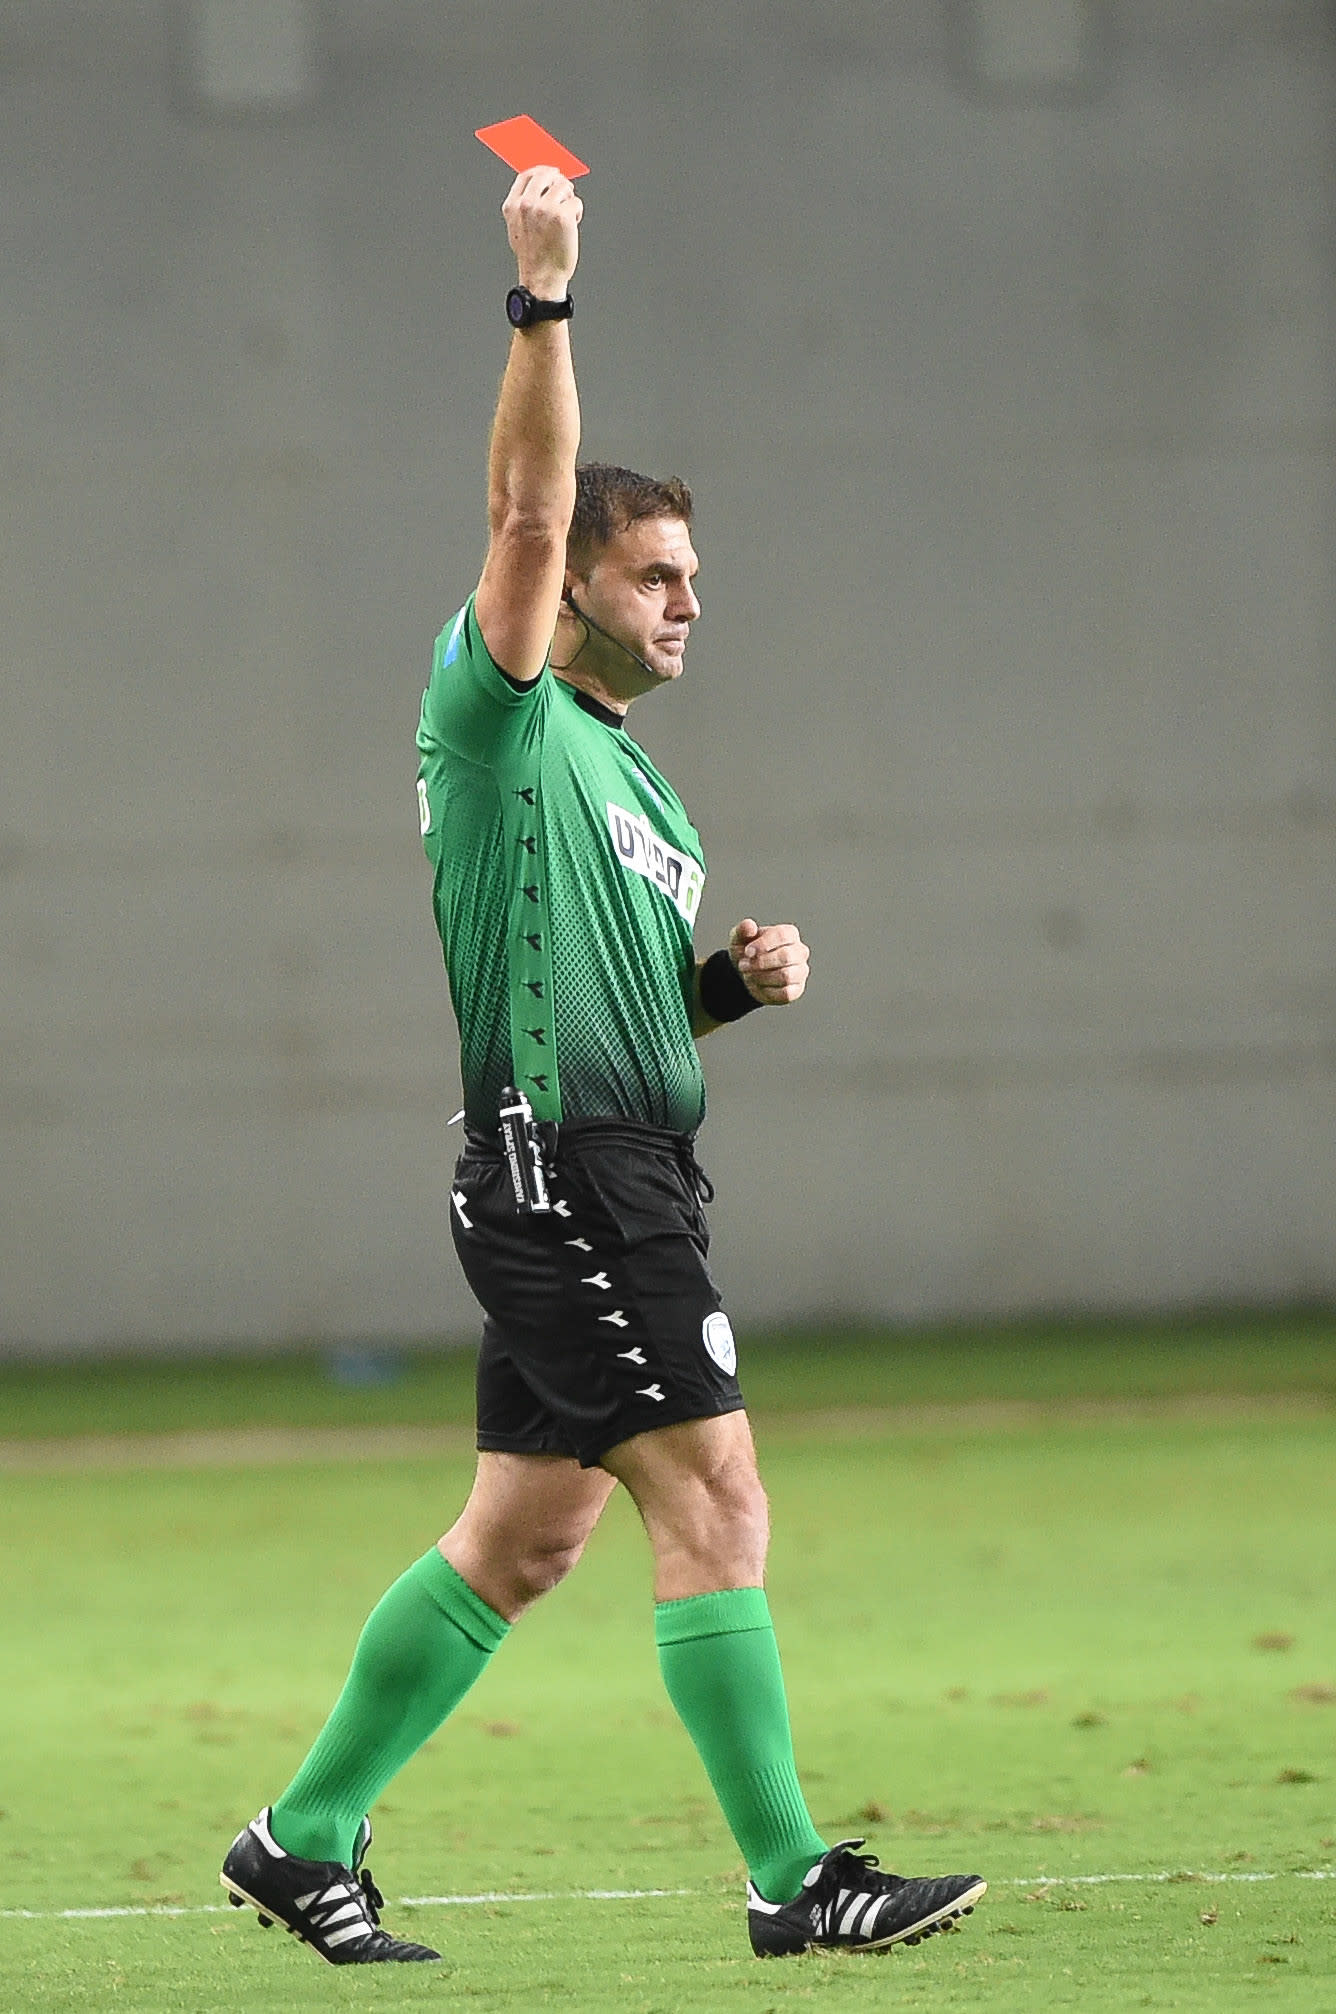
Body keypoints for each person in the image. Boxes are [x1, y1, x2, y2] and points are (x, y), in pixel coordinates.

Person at [218, 166, 984, 1966]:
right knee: (718, 1498)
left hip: (614, 1160)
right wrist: (543, 299)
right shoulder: (493, 709)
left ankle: (299, 1833)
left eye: (696, 575)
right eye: (656, 571)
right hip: (566, 1173)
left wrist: (718, 987)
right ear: (571, 583)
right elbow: (522, 494)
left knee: (525, 1536)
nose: (689, 599)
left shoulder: (639, 780)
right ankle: (795, 1875)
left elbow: (616, 998)